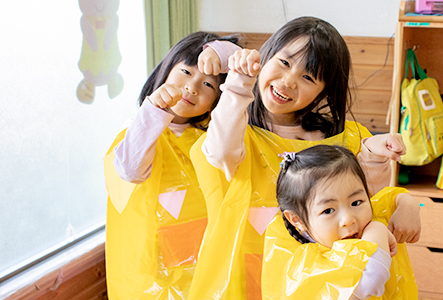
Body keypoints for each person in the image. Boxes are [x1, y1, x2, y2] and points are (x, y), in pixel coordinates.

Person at [188, 17, 421, 299]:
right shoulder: (237, 133)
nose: (288, 82)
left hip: (321, 282)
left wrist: (403, 199)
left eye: (308, 77)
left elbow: (367, 200)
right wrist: (239, 82)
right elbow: (221, 151)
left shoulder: (341, 137)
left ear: (324, 91)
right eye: (284, 63)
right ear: (265, 56)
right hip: (247, 276)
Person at [103, 31, 241, 300]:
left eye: (209, 85)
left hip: (204, 271)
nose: (192, 87)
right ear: (165, 70)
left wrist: (219, 52)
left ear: (216, 101)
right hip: (148, 274)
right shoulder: (138, 130)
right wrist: (155, 109)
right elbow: (130, 169)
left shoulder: (214, 140)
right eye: (186, 72)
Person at [263, 144, 418, 299]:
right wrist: (377, 230)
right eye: (328, 210)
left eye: (356, 202)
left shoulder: (362, 222)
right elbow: (368, 283)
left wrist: (407, 204)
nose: (348, 219)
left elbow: (386, 200)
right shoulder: (305, 266)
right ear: (297, 220)